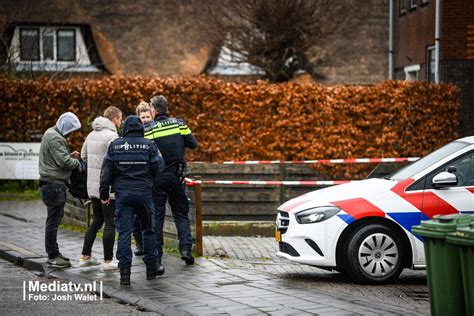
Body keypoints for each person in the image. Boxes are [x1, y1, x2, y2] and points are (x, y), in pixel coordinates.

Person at [100, 115, 164, 286]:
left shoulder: (115, 145)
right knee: (148, 231)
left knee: (124, 233)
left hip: (123, 195)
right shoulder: (149, 144)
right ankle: (151, 270)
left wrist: (104, 193)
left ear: (125, 127)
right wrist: (151, 184)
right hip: (144, 194)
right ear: (140, 127)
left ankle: (125, 274)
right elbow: (159, 168)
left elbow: (106, 171)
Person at [144, 95, 198, 274]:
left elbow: (147, 153)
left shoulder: (149, 128)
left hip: (158, 179)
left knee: (156, 218)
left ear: (154, 111)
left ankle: (158, 256)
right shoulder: (179, 123)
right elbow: (193, 143)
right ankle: (185, 250)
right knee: (181, 214)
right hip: (177, 177)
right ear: (166, 109)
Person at [79, 106, 122, 271]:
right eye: (120, 119)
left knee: (97, 221)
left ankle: (85, 256)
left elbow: (83, 157)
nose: (120, 122)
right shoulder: (112, 136)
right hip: (107, 187)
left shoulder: (91, 135)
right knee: (110, 223)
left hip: (93, 187)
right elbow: (116, 161)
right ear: (115, 119)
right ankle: (107, 261)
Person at [38, 112, 82, 268]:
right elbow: (64, 162)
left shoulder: (50, 133)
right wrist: (76, 162)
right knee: (53, 221)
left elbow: (56, 158)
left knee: (53, 220)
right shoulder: (56, 137)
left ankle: (54, 253)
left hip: (50, 184)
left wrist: (69, 155)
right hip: (54, 185)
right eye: (70, 130)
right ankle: (52, 256)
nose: (71, 133)